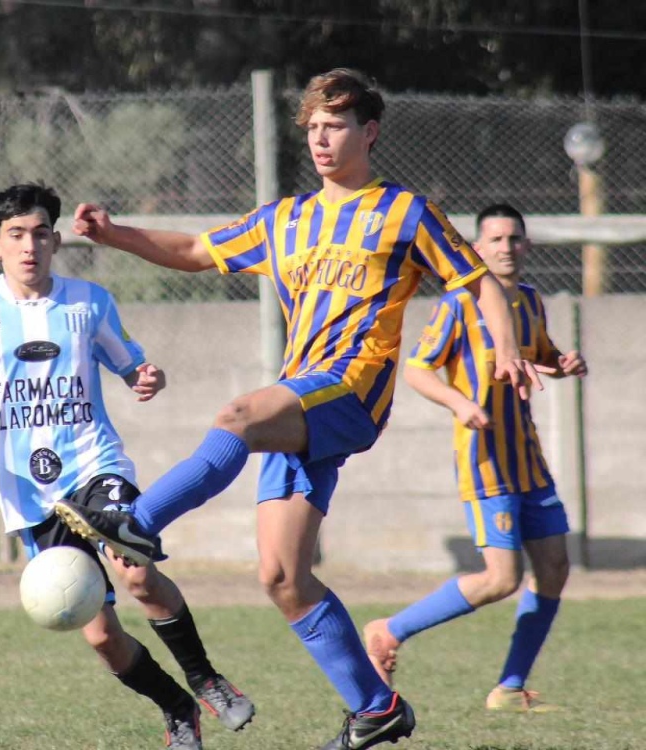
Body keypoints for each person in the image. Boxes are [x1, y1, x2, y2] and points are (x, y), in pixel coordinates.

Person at [53, 69, 543, 750]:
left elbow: (477, 282)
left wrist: (510, 349)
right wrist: (114, 235)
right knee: (282, 577)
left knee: (236, 418)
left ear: (368, 132)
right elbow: (197, 250)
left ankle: (135, 524)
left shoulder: (405, 213)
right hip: (302, 394)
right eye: (312, 126)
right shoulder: (287, 219)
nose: (319, 137)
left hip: (350, 389)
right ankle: (375, 708)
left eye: (334, 124)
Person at [0, 183, 254, 750]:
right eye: (16, 236)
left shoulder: (89, 302)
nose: (30, 246)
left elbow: (135, 366)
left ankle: (206, 681)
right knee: (101, 635)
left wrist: (148, 378)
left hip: (95, 465)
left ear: (55, 240)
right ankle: (176, 706)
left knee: (137, 571)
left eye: (40, 234)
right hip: (30, 493)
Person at [362, 203, 587, 712]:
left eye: (515, 239)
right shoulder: (460, 304)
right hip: (485, 461)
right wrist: (459, 403)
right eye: (496, 240)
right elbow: (417, 369)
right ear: (478, 249)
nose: (506, 248)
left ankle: (509, 688)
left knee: (553, 569)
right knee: (501, 578)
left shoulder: (530, 301)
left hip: (528, 460)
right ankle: (388, 629)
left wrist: (563, 362)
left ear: (526, 245)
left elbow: (541, 355)